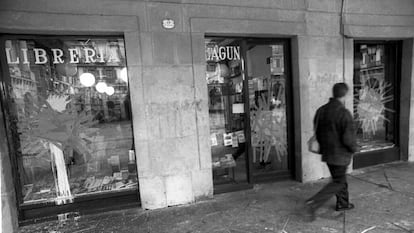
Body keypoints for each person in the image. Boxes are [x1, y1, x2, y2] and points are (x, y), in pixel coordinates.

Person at [305, 83, 359, 221]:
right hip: (340, 155)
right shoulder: (344, 113)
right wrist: (355, 149)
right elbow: (348, 139)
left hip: (327, 153)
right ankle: (314, 201)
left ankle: (343, 203)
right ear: (345, 95)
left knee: (339, 178)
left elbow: (317, 130)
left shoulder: (321, 110)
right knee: (339, 181)